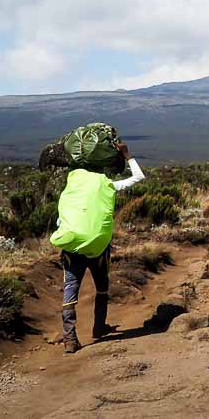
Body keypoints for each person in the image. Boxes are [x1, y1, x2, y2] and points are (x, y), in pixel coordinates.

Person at [54, 139, 145, 354]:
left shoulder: (71, 191)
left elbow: (60, 221)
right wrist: (127, 155)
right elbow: (138, 177)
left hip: (72, 250)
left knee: (70, 289)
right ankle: (99, 328)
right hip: (99, 249)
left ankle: (70, 339)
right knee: (102, 287)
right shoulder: (107, 185)